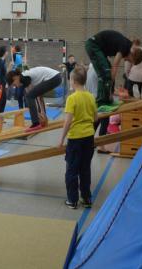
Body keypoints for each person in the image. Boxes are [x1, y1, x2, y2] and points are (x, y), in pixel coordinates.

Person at [58, 65, 97, 209]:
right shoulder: (91, 97)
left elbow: (68, 121)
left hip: (75, 139)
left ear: (73, 81)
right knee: (85, 169)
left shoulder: (72, 98)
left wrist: (61, 139)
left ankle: (72, 200)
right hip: (89, 138)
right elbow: (95, 117)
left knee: (72, 170)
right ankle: (86, 198)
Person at [84, 30, 142, 106]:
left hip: (99, 49)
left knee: (108, 71)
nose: (126, 60)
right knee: (106, 73)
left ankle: (108, 96)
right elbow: (115, 65)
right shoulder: (125, 47)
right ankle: (101, 101)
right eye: (129, 60)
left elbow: (113, 69)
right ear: (132, 55)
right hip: (93, 45)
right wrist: (111, 81)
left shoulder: (128, 46)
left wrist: (111, 86)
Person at [6, 65, 61, 132]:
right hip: (56, 77)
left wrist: (38, 114)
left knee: (29, 96)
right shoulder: (24, 78)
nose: (16, 86)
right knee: (31, 96)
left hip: (53, 78)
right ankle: (41, 120)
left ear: (15, 77)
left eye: (14, 84)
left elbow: (31, 96)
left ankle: (35, 123)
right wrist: (43, 114)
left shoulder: (24, 77)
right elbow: (38, 96)